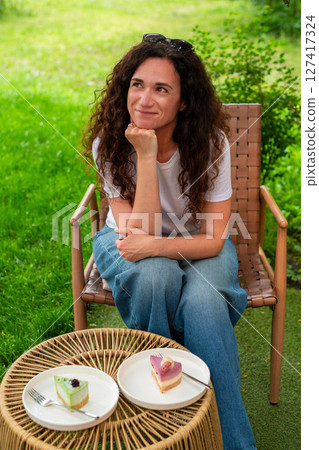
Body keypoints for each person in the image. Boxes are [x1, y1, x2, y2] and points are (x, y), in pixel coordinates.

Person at [83, 33, 256, 449]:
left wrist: (157, 247)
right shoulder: (109, 144)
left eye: (162, 89)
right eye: (137, 84)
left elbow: (214, 240)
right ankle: (166, 414)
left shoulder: (211, 145)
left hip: (196, 241)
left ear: (183, 101)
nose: (144, 99)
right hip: (125, 238)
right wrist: (144, 155)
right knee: (157, 277)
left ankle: (232, 442)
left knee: (202, 299)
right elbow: (136, 233)